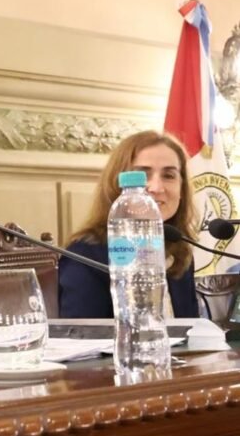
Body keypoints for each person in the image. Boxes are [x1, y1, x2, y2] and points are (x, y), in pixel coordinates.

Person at [59, 130, 198, 319]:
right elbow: (82, 335)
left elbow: (190, 330)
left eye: (169, 175)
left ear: (182, 189)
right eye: (142, 175)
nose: (156, 187)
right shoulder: (85, 254)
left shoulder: (178, 249)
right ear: (117, 185)